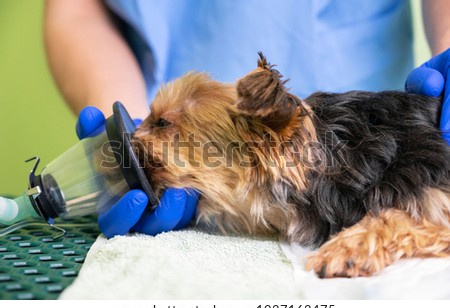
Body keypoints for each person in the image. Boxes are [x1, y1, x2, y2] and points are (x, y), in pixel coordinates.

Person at [44, 0, 450, 238]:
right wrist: (126, 127)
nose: (142, 134)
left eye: (162, 125)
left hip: (366, 131)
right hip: (143, 86)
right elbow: (76, 10)